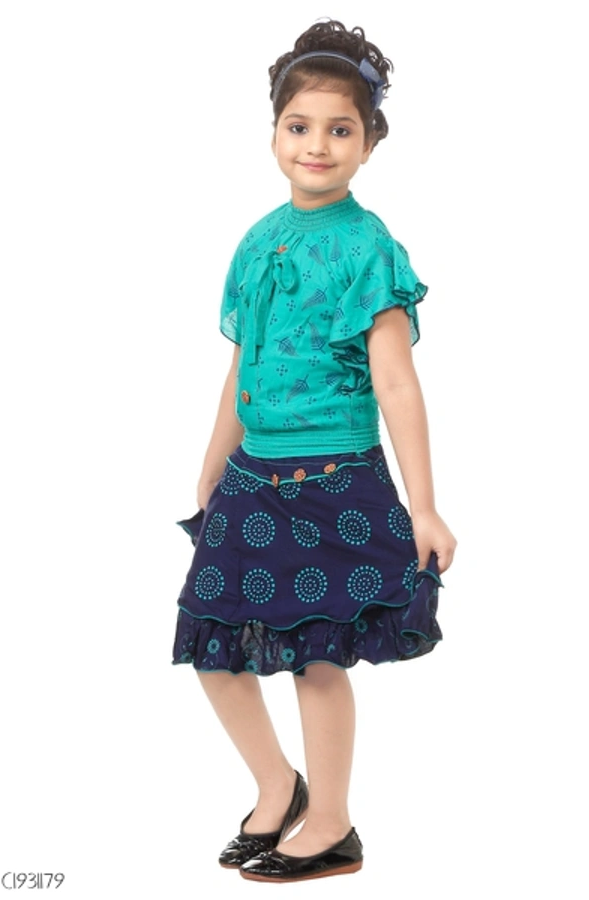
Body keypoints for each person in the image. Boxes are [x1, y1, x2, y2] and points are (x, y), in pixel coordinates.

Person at [171, 19, 457, 883]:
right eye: (300, 126)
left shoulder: (369, 249)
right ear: (274, 135)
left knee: (315, 656)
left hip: (336, 480)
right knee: (212, 642)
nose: (318, 145)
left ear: (369, 143)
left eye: (340, 129)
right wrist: (212, 464)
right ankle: (278, 786)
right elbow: (241, 367)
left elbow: (397, 384)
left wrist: (424, 505)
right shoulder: (258, 241)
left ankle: (332, 822)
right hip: (253, 477)